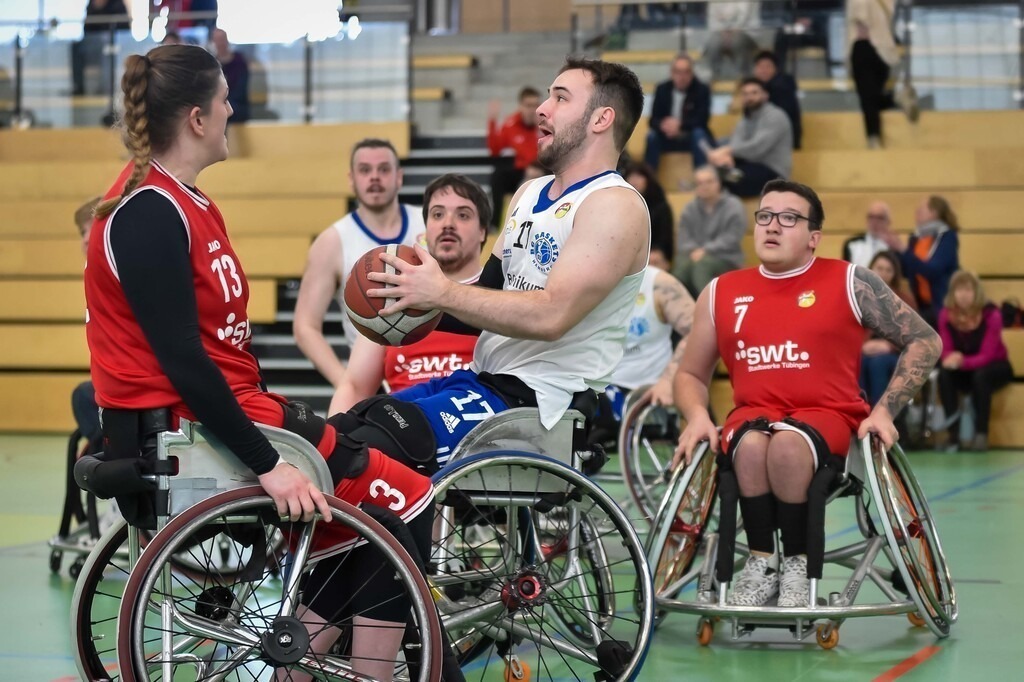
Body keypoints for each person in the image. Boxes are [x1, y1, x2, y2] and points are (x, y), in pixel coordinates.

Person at [82, 45, 441, 679]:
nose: (232, 109)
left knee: (373, 486)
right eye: (224, 99)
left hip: (232, 405)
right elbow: (184, 362)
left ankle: (313, 661)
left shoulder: (184, 200)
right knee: (408, 501)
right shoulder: (147, 212)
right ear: (196, 118)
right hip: (193, 425)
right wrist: (269, 463)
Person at [357, 56, 649, 469]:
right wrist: (409, 299)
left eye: (560, 98)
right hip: (485, 381)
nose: (541, 109)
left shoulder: (614, 205)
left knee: (374, 444)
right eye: (547, 97)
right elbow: (485, 301)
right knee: (348, 428)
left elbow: (551, 316)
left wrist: (440, 292)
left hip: (540, 402)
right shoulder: (528, 193)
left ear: (601, 119)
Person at [672, 179, 940, 608]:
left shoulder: (851, 282)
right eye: (764, 216)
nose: (772, 226)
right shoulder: (722, 291)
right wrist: (697, 417)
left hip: (827, 416)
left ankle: (796, 561)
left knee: (787, 448)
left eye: (789, 218)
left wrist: (886, 411)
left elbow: (925, 341)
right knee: (750, 446)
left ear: (814, 237)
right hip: (754, 415)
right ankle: (763, 561)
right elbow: (690, 374)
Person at [330, 173, 487, 414]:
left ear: (483, 232)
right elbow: (354, 387)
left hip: (478, 426)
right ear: (425, 231)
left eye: (463, 215)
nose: (448, 223)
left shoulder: (500, 294)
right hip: (402, 428)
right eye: (437, 214)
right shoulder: (394, 287)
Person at [293, 138, 426, 388]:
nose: (374, 177)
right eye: (365, 170)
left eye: (384, 169)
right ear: (351, 179)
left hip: (430, 367)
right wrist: (346, 383)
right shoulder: (331, 242)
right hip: (373, 380)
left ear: (399, 177)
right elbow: (305, 327)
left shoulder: (429, 224)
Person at [590, 265, 695, 445]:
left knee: (593, 406)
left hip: (642, 391)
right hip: (595, 381)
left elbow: (698, 332)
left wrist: (668, 381)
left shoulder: (660, 284)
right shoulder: (588, 280)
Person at [937, 271, 1013, 452]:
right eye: (959, 290)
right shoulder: (946, 315)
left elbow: (987, 355)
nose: (963, 295)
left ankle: (981, 434)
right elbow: (945, 349)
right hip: (964, 367)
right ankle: (953, 435)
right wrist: (949, 359)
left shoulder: (991, 315)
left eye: (968, 290)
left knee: (981, 377)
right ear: (952, 293)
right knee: (944, 374)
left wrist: (961, 361)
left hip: (995, 366)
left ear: (976, 292)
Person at [705, 78, 792, 197]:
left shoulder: (775, 116)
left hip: (772, 171)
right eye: (745, 94)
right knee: (718, 172)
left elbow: (757, 148)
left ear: (765, 95)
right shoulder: (745, 119)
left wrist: (728, 151)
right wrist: (728, 157)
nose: (749, 97)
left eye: (754, 93)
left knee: (728, 180)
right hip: (750, 165)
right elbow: (736, 143)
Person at [883, 194, 960, 328]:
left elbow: (933, 270)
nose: (917, 210)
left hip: (940, 305)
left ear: (934, 213)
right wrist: (895, 250)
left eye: (923, 208)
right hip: (921, 305)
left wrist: (903, 249)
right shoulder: (916, 238)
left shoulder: (947, 237)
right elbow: (909, 269)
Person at [673, 165, 747, 298]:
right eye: (700, 183)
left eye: (709, 181)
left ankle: (711, 307)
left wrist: (706, 250)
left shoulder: (733, 205)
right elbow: (683, 238)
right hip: (694, 255)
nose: (704, 186)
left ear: (718, 183)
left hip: (726, 257)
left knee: (702, 266)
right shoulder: (689, 208)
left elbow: (733, 237)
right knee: (681, 267)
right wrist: (696, 251)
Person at [860, 250, 917, 408]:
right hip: (864, 350)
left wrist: (888, 346)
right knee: (860, 362)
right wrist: (862, 346)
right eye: (879, 268)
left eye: (888, 270)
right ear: (871, 268)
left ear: (895, 274)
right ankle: (860, 416)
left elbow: (912, 335)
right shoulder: (859, 296)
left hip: (896, 353)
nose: (883, 273)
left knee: (878, 363)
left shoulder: (904, 300)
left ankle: (881, 417)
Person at [643, 54, 712, 175]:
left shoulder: (702, 89)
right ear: (671, 73)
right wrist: (663, 125)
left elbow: (702, 120)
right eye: (678, 72)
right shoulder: (662, 89)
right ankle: (648, 180)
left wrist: (680, 125)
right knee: (652, 136)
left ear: (692, 73)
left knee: (699, 134)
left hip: (689, 136)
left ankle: (703, 177)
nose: (682, 76)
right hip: (667, 137)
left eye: (686, 72)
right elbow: (653, 120)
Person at [847, 0, 900, 148]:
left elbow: (859, 15)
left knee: (867, 97)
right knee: (873, 94)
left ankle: (873, 136)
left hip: (864, 46)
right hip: (884, 50)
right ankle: (895, 99)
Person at [487, 86, 541, 227]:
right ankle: (495, 224)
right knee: (497, 176)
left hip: (543, 169)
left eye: (535, 105)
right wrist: (492, 123)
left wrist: (536, 166)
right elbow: (495, 151)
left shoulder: (545, 125)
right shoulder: (511, 124)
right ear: (521, 106)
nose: (532, 110)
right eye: (528, 105)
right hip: (521, 169)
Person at [622, 161, 674, 270]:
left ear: (647, 180)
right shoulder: (620, 205)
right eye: (631, 176)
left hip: (654, 254)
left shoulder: (661, 206)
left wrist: (657, 252)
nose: (634, 180)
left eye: (639, 176)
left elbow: (665, 237)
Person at [72, 0, 129, 96]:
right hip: (94, 42)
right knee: (76, 46)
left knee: (106, 43)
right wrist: (96, 8)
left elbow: (124, 27)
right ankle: (79, 86)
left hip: (113, 42)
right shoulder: (92, 4)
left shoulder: (117, 4)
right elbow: (87, 28)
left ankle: (107, 87)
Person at [752, 50, 802, 150]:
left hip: (780, 144)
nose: (763, 70)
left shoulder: (783, 87)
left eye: (768, 67)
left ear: (776, 69)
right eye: (760, 67)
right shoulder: (754, 87)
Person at [704, 0, 761, 81]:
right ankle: (715, 76)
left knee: (737, 41)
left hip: (747, 31)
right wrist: (723, 31)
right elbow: (712, 18)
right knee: (713, 43)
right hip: (720, 31)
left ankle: (743, 77)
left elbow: (744, 16)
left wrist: (731, 31)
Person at [211, 28, 250, 124]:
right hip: (218, 104)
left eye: (222, 39)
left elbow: (241, 90)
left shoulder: (239, 61)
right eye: (217, 40)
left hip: (237, 106)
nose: (220, 43)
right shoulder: (211, 64)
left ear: (227, 40)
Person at [841, 200, 894, 269]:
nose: (875, 222)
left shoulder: (893, 247)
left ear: (888, 221)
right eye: (871, 217)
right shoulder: (852, 244)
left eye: (880, 218)